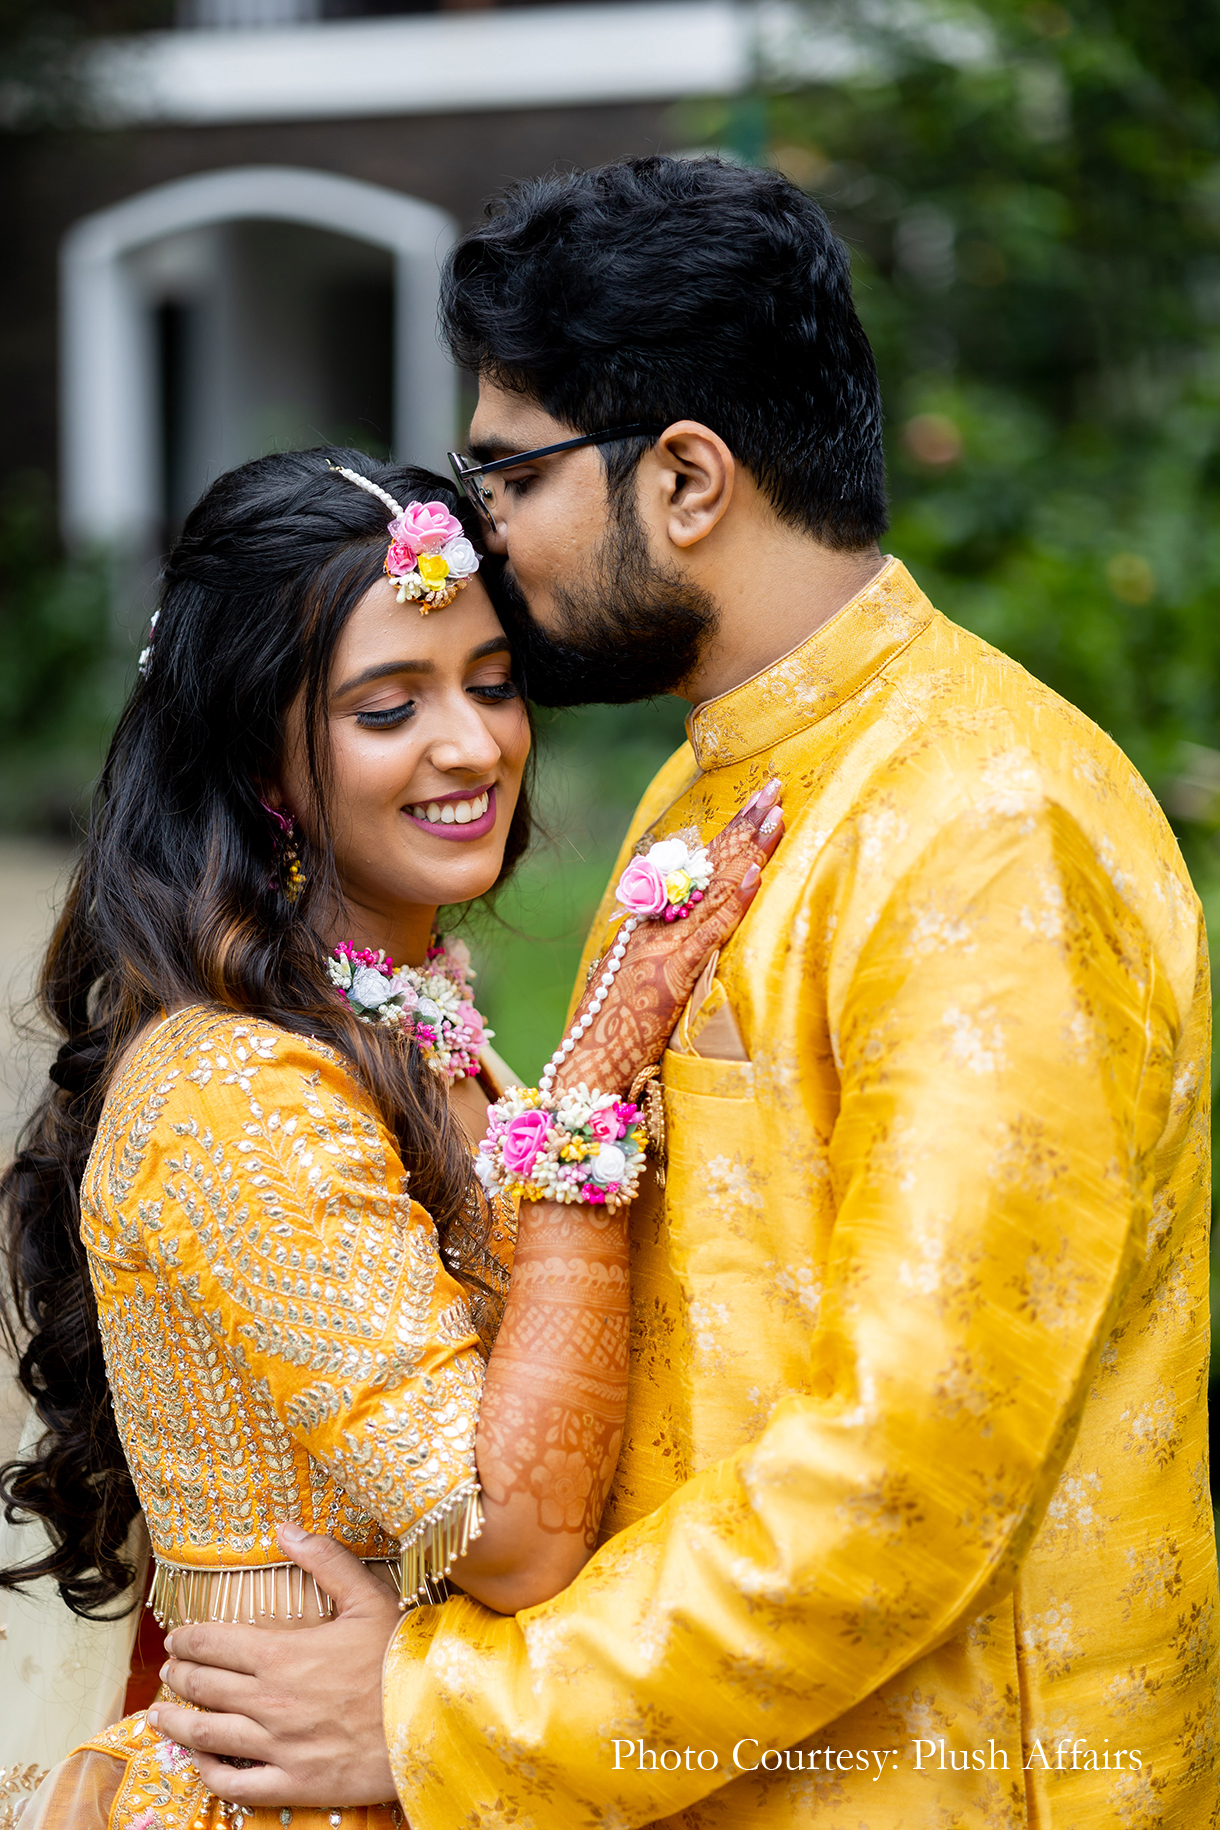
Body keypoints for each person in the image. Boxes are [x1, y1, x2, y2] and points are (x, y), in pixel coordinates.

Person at [144, 156, 1218, 1826]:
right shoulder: (698, 799)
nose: (474, 531)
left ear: (689, 479)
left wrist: (446, 1721)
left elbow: (907, 1466)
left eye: (508, 473)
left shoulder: (990, 830)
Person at [0, 445, 782, 1828]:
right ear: (263, 757)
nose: (473, 744)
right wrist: (595, 1086)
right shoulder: (233, 1090)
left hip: (417, 1753)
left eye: (490, 682)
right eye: (387, 706)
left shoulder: (413, 1015)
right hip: (285, 1790)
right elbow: (517, 1536)